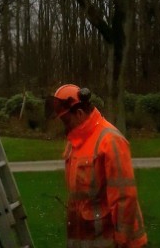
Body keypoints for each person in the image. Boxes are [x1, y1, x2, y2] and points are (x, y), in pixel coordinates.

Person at [51, 83, 148, 248]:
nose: (64, 126)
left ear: (80, 113)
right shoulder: (74, 142)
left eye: (66, 120)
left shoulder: (110, 141)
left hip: (113, 240)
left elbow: (124, 196)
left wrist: (122, 240)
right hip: (87, 237)